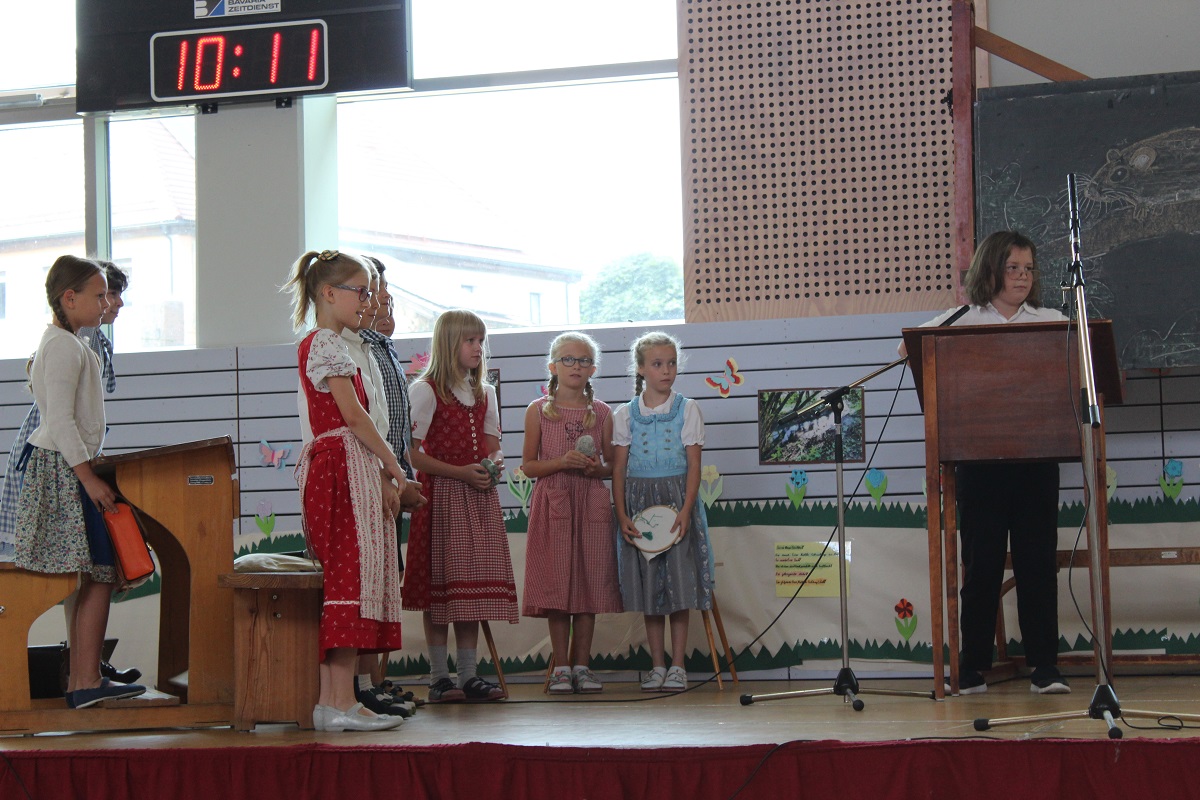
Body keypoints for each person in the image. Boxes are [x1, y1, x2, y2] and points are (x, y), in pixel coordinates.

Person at [908, 230, 1071, 696]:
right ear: (990, 270)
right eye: (1012, 268)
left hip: (1037, 461)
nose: (1022, 277)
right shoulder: (962, 319)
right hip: (979, 464)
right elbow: (908, 349)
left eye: (1028, 269)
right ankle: (973, 666)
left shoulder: (1052, 321)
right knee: (980, 568)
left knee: (1037, 565)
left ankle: (1045, 667)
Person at [284, 248, 413, 732]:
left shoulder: (332, 343)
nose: (366, 300)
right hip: (339, 468)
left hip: (348, 465)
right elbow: (354, 417)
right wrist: (394, 466)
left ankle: (337, 700)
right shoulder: (324, 342)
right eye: (359, 291)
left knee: (352, 581)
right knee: (347, 580)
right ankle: (336, 702)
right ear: (328, 293)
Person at [14, 254, 147, 709]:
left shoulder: (66, 343)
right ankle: (86, 679)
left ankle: (82, 677)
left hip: (67, 467)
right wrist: (87, 476)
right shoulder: (63, 347)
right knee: (98, 574)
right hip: (63, 471)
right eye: (98, 295)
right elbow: (60, 421)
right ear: (69, 298)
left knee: (96, 574)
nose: (106, 303)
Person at [402, 309, 518, 703]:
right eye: (470, 340)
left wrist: (493, 465)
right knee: (438, 592)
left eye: (481, 340)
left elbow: (493, 446)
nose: (477, 348)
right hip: (439, 498)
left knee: (470, 591)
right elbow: (411, 454)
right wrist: (459, 472)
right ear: (449, 343)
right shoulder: (426, 391)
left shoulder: (485, 392)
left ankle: (468, 675)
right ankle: (439, 678)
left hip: (477, 498)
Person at [520, 332, 622, 694]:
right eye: (568, 359)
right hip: (554, 505)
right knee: (557, 586)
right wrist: (562, 462)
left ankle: (582, 666)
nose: (575, 366)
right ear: (553, 366)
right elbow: (528, 466)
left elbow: (612, 465)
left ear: (593, 369)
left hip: (590, 503)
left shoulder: (603, 413)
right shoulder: (537, 410)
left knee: (588, 586)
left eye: (583, 361)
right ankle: (561, 667)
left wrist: (596, 469)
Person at [613, 331, 713, 692]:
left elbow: (694, 465)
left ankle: (678, 665)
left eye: (671, 363)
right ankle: (657, 665)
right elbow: (618, 469)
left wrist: (686, 509)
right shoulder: (625, 414)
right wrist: (622, 513)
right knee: (650, 586)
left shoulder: (688, 409)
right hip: (640, 504)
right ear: (641, 368)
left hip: (676, 501)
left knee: (679, 585)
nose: (666, 370)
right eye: (657, 364)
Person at [355, 255, 421, 715]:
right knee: (368, 585)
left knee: (385, 583)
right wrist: (389, 473)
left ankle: (373, 680)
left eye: (385, 292)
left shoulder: (382, 346)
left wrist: (402, 473)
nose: (383, 300)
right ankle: (362, 684)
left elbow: (395, 425)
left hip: (390, 475)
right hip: (370, 477)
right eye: (375, 291)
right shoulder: (351, 347)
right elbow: (364, 420)